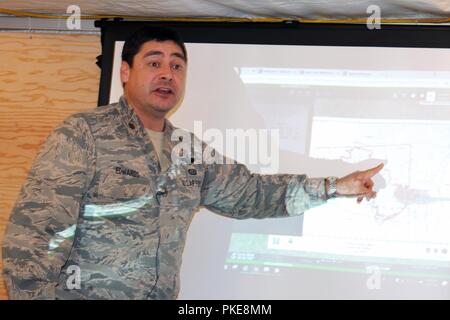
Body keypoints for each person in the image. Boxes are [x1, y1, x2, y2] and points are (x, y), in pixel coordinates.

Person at [2, 26, 384, 300]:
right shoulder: (82, 134)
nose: (167, 73)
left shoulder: (190, 151)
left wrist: (335, 186)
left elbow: (252, 194)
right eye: (154, 63)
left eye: (177, 65)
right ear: (125, 72)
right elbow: (34, 236)